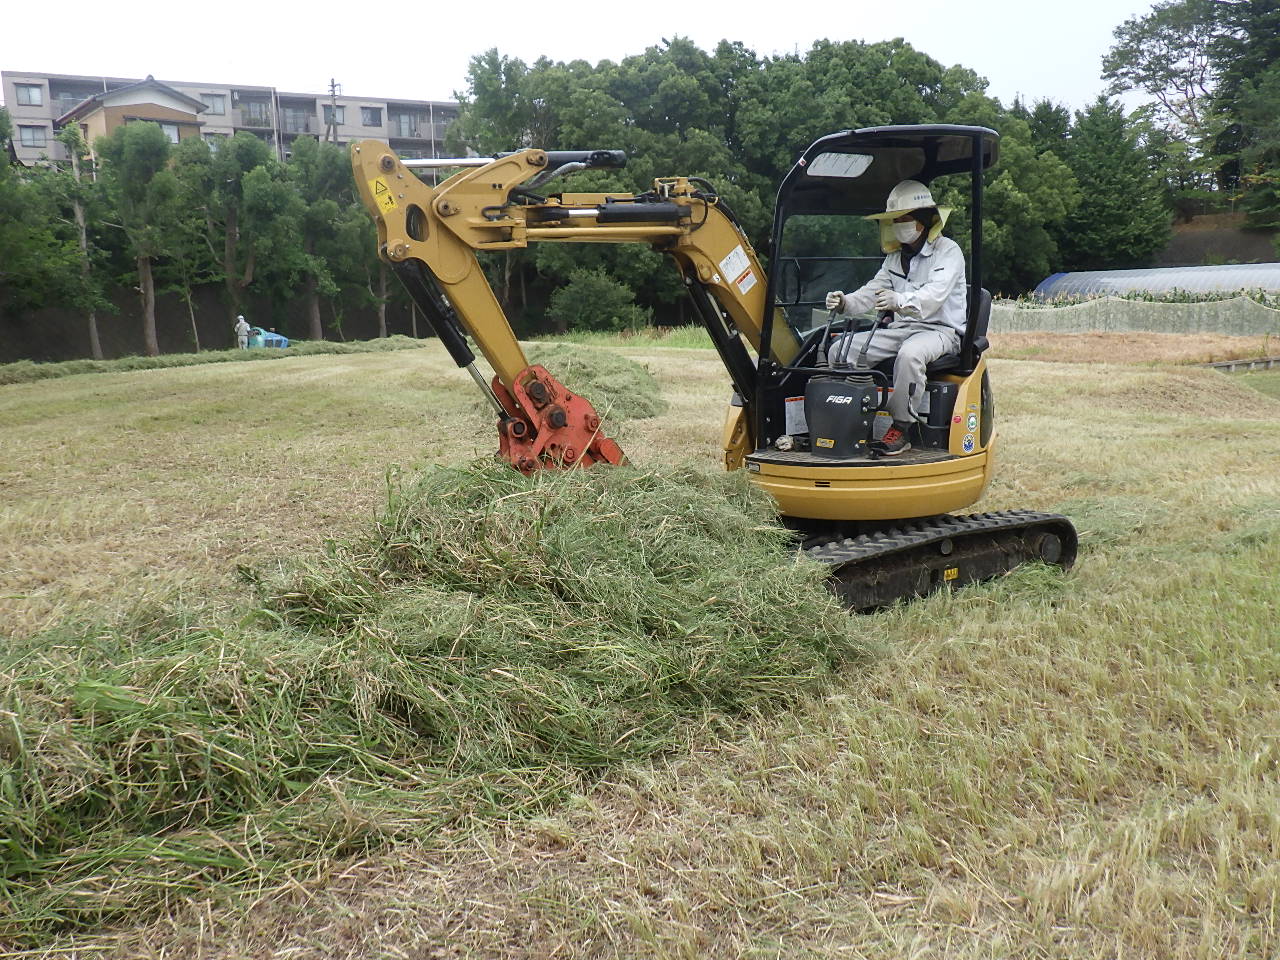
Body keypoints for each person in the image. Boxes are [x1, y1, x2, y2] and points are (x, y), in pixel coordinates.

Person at [825, 179, 966, 455]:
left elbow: (934, 297)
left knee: (910, 355)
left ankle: (902, 427)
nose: (898, 224)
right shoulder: (894, 259)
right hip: (902, 328)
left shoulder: (948, 252)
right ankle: (852, 419)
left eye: (904, 218)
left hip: (940, 331)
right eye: (895, 219)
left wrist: (899, 301)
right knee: (841, 350)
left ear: (924, 220)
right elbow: (869, 293)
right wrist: (844, 302)